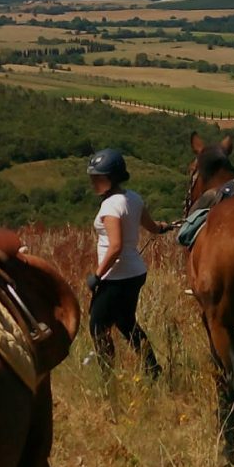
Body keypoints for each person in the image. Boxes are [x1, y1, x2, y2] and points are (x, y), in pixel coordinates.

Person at [85, 148, 171, 377]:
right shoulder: (133, 198)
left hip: (115, 277)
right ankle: (153, 370)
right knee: (126, 323)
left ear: (110, 178)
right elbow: (151, 226)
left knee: (98, 328)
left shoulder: (110, 206)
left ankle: (107, 378)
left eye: (97, 178)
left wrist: (97, 275)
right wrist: (163, 227)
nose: (93, 182)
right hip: (135, 273)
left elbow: (116, 246)